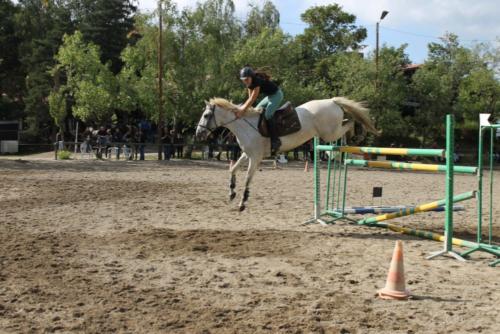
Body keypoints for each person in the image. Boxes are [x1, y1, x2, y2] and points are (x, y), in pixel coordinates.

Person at [236, 66, 283, 155]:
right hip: (269, 97)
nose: (245, 81)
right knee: (256, 111)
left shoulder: (257, 81)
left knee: (268, 115)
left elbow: (252, 98)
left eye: (246, 79)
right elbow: (249, 98)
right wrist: (247, 109)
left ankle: (275, 140)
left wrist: (242, 110)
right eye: (243, 80)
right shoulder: (249, 83)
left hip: (277, 95)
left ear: (251, 77)